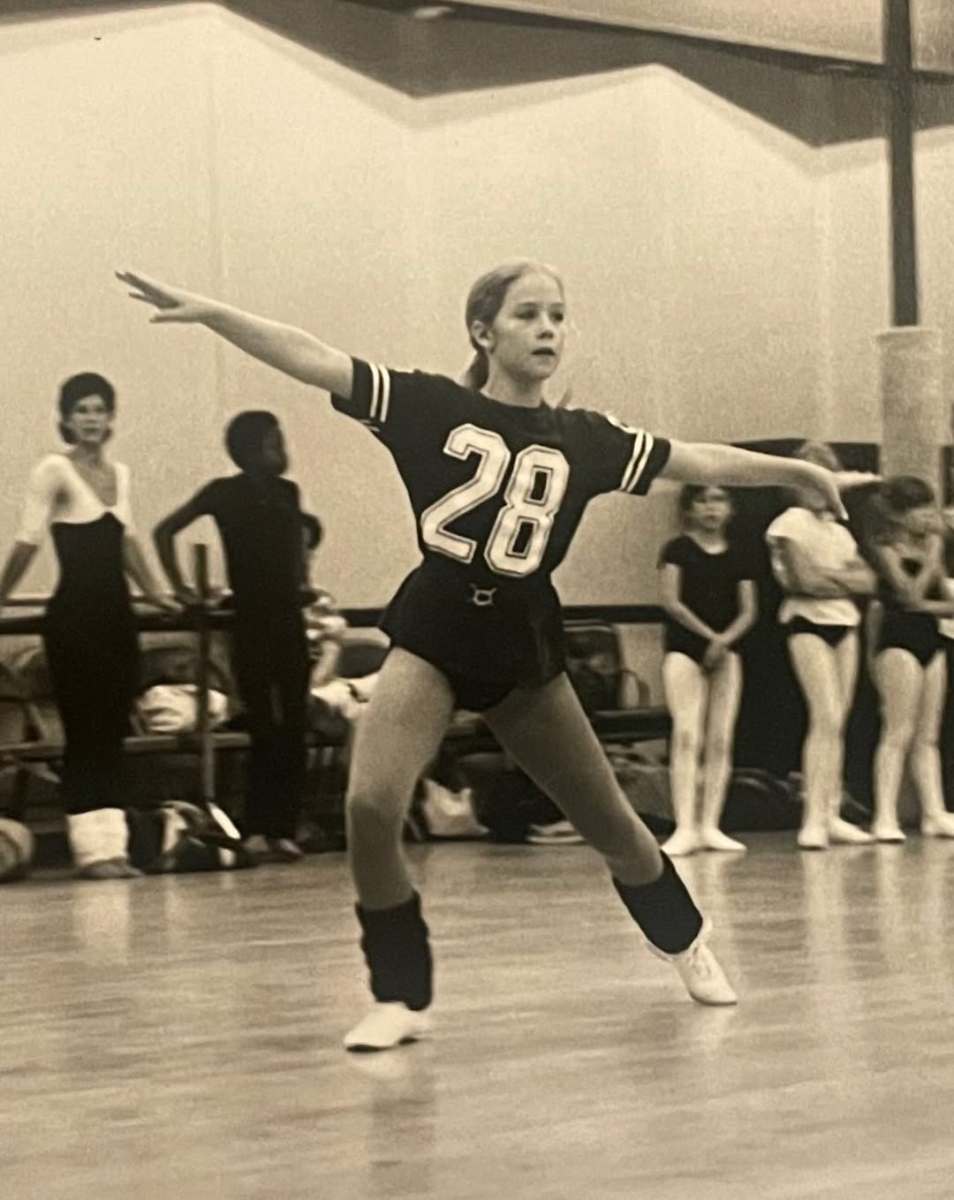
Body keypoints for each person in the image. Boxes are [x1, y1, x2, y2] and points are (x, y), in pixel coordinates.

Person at [117, 262, 846, 1051]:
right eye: (528, 314)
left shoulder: (585, 439)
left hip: (522, 645)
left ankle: (684, 940)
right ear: (483, 330)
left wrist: (796, 472)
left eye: (558, 316)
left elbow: (696, 461)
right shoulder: (432, 406)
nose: (547, 329)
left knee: (615, 827)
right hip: (433, 630)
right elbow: (311, 354)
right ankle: (399, 993)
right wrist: (214, 312)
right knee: (369, 806)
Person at [0, 373, 175, 878]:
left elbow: (128, 541)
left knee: (111, 729)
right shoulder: (53, 469)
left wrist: (158, 595)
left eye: (99, 410)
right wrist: (3, 594)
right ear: (66, 419)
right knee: (83, 731)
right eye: (82, 411)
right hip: (74, 619)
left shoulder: (120, 473)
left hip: (117, 617)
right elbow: (28, 538)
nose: (91, 419)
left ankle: (114, 847)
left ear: (110, 418)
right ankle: (91, 851)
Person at [153, 411, 315, 863]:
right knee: (264, 724)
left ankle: (284, 827)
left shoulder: (288, 493)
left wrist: (303, 577)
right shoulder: (223, 493)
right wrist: (184, 590)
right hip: (251, 619)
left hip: (289, 620)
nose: (281, 451)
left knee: (295, 725)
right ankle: (257, 827)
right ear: (248, 450)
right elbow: (165, 531)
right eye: (272, 442)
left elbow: (297, 541)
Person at [765, 442, 877, 850]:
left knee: (839, 719)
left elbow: (868, 582)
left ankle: (831, 812)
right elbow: (802, 582)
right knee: (825, 715)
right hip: (807, 623)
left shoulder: (839, 530)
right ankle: (812, 817)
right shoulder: (788, 522)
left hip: (845, 624)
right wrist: (840, 579)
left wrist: (833, 578)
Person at [658, 484, 756, 856]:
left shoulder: (740, 554)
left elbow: (749, 609)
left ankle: (710, 823)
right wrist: (709, 637)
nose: (711, 508)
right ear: (689, 509)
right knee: (687, 734)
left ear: (730, 508)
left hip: (727, 650)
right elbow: (671, 601)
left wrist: (724, 640)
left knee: (720, 737)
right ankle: (684, 825)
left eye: (718, 500)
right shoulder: (677, 549)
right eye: (702, 500)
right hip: (685, 650)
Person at [865, 475, 954, 842]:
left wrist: (934, 557)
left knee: (927, 735)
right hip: (897, 639)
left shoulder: (931, 543)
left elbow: (938, 602)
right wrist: (934, 555)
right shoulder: (885, 547)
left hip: (929, 638)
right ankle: (884, 815)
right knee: (898, 730)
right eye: (917, 511)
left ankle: (933, 811)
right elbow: (908, 592)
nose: (926, 518)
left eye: (927, 509)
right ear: (898, 515)